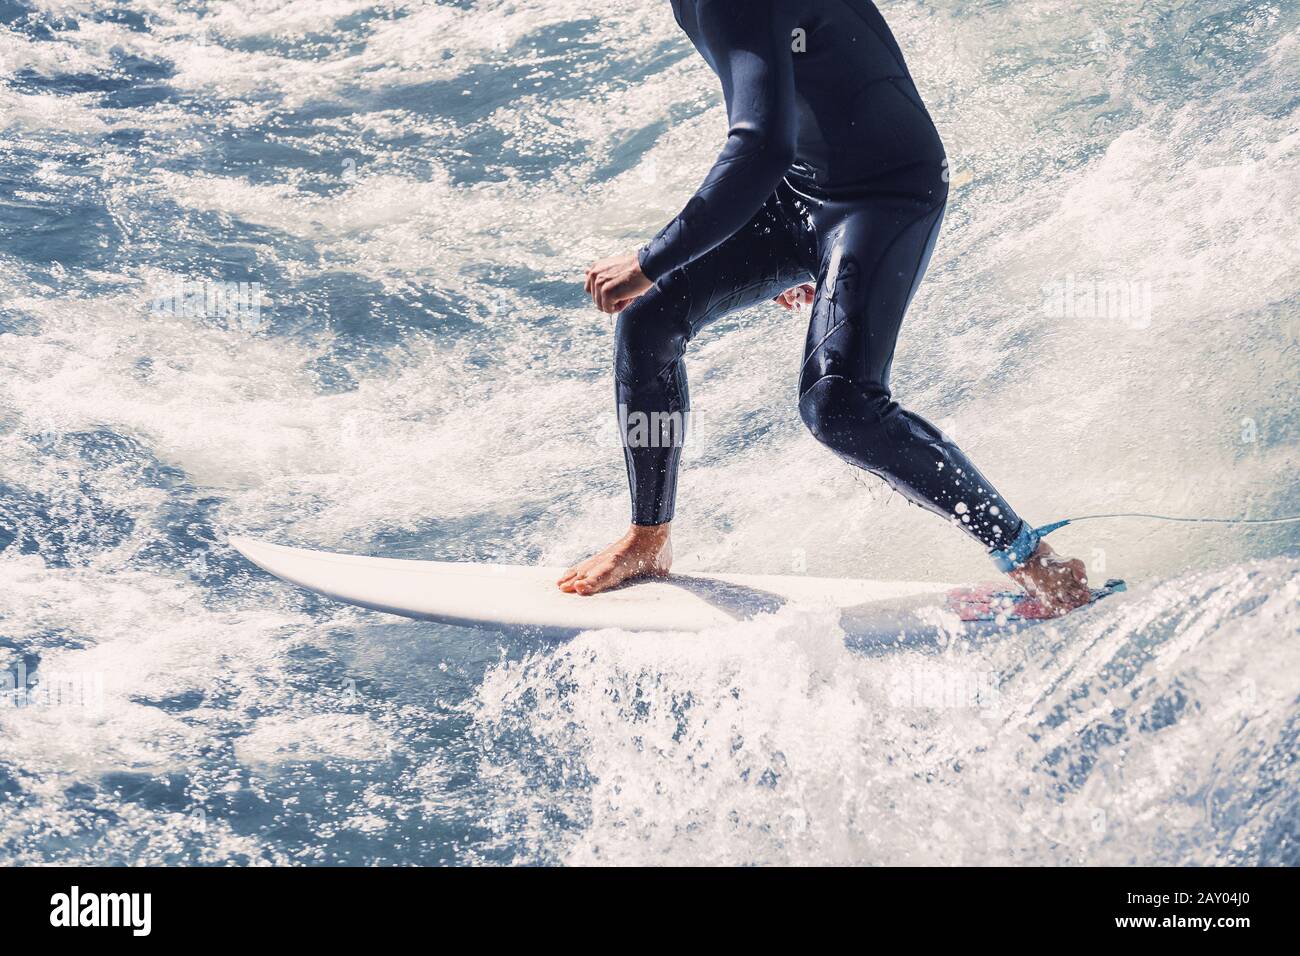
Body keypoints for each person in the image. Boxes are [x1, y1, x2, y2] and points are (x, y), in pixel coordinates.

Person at [559, 0, 1092, 615]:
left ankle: (1033, 559)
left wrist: (649, 260)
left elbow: (758, 144)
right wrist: (773, 241)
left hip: (885, 193)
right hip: (796, 187)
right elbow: (768, 105)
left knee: (839, 403)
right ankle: (648, 540)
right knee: (649, 317)